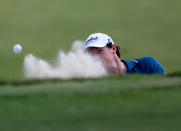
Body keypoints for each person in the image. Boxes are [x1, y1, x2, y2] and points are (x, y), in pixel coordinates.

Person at [84, 33, 165, 75]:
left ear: (113, 49)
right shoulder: (95, 81)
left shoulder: (147, 65)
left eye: (99, 51)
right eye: (91, 55)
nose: (96, 58)